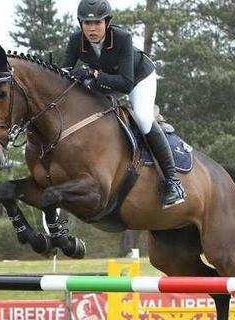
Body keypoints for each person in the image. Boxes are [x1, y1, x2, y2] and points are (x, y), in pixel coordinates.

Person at [62, 0, 186, 209]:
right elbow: (64, 73)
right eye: (87, 23)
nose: (92, 28)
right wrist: (71, 76)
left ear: (107, 22)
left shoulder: (122, 38)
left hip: (138, 79)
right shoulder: (76, 40)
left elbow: (126, 84)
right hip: (106, 80)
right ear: (80, 23)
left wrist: (92, 74)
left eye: (97, 23)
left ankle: (173, 182)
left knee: (143, 118)